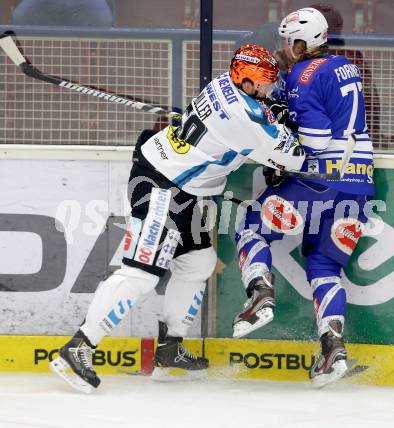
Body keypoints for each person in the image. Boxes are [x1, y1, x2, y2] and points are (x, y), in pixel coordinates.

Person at [50, 44, 306, 393]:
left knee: (199, 263)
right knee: (140, 272)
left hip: (188, 190)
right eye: (264, 84)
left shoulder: (223, 84)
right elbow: (293, 157)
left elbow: (258, 121)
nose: (268, 90)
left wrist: (269, 111)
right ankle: (78, 347)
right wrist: (280, 120)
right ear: (246, 81)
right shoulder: (245, 118)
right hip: (163, 185)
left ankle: (170, 348)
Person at [232, 8, 375, 388]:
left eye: (288, 40)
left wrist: (282, 137)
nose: (284, 47)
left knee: (250, 227)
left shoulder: (302, 74)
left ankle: (261, 293)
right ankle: (333, 352)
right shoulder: (345, 66)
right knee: (326, 268)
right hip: (359, 185)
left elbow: (315, 141)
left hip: (318, 181)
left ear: (303, 41)